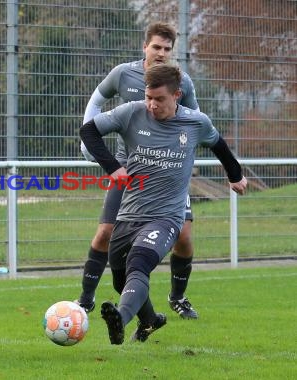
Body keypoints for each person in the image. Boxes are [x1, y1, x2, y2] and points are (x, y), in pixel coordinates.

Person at [79, 63, 247, 344]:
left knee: (139, 264)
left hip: (167, 217)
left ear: (177, 95)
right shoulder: (131, 112)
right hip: (129, 213)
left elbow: (219, 145)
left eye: (159, 99)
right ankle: (150, 320)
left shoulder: (196, 122)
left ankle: (120, 318)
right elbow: (88, 131)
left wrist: (235, 175)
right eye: (148, 97)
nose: (151, 105)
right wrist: (112, 167)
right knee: (121, 281)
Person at [77, 22, 201, 319]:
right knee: (105, 233)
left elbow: (194, 121)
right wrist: (90, 148)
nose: (161, 53)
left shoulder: (181, 83)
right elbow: (97, 99)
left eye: (167, 49)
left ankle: (178, 297)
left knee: (184, 237)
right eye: (156, 47)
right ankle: (85, 300)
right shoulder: (123, 73)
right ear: (145, 46)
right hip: (128, 170)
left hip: (167, 177)